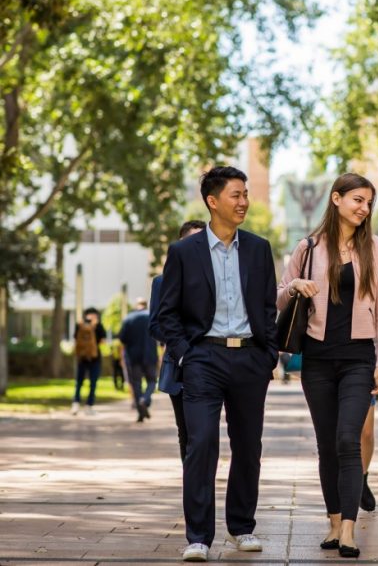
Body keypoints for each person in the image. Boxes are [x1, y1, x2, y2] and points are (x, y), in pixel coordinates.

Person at [159, 166, 278, 563]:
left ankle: (242, 527)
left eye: (246, 194)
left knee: (248, 446)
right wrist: (184, 355)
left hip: (249, 358)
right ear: (213, 202)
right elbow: (165, 314)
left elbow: (267, 306)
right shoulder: (183, 253)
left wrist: (268, 354)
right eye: (236, 195)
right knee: (202, 442)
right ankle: (198, 537)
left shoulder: (259, 249)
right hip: (202, 359)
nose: (244, 202)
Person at [277, 173, 378, 559]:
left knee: (348, 438)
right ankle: (332, 522)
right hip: (317, 361)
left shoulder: (376, 248)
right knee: (327, 444)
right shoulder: (308, 248)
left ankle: (348, 527)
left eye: (368, 203)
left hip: (359, 359)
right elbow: (278, 298)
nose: (364, 208)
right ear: (336, 199)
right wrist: (295, 287)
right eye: (358, 200)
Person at [148, 219, 205, 462]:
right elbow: (154, 325)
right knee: (187, 431)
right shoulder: (162, 282)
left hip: (213, 363)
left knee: (205, 432)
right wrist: (182, 344)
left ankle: (204, 481)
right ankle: (193, 485)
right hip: (178, 364)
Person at [119, 297, 157, 422]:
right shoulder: (152, 316)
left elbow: (122, 339)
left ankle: (140, 413)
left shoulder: (129, 318)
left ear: (136, 305)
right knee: (152, 381)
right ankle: (145, 400)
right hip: (150, 355)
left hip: (133, 357)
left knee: (136, 384)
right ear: (146, 305)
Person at [71, 307, 107, 415]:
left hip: (81, 357)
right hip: (94, 357)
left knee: (79, 382)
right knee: (93, 382)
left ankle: (75, 403)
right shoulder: (98, 326)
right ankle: (89, 406)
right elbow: (103, 341)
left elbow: (75, 339)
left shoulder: (80, 325)